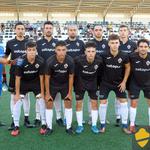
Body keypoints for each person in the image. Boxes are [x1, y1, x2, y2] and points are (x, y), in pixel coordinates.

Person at [11, 41, 46, 136]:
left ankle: (43, 123)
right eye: (29, 50)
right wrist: (17, 94)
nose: (31, 52)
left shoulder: (41, 61)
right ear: (25, 51)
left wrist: (42, 92)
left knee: (41, 99)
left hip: (35, 83)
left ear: (36, 50)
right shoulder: (20, 61)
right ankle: (16, 125)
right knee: (17, 101)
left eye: (33, 50)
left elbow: (41, 78)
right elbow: (17, 79)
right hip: (23, 83)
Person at [99, 34, 131, 134]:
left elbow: (128, 67)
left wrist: (124, 82)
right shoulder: (103, 55)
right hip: (105, 83)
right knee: (103, 103)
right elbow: (99, 69)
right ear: (108, 44)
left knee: (124, 102)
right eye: (112, 43)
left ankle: (125, 125)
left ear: (119, 43)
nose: (114, 45)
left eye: (116, 43)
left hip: (119, 84)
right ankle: (102, 125)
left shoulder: (124, 55)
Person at [5, 22, 33, 130]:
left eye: (22, 28)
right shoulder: (10, 43)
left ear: (24, 30)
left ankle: (26, 118)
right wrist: (11, 61)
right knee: (13, 97)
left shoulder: (29, 42)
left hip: (26, 74)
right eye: (18, 28)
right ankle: (13, 120)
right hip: (14, 73)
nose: (20, 30)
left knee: (25, 96)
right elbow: (6, 58)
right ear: (15, 30)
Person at [36, 21, 64, 127]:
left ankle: (58, 117)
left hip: (54, 74)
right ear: (43, 29)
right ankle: (38, 117)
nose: (48, 29)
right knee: (40, 95)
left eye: (50, 28)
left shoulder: (57, 42)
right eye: (46, 28)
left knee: (56, 96)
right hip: (41, 74)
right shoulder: (38, 43)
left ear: (53, 30)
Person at [44, 41, 74, 135]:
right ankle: (49, 127)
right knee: (49, 103)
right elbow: (47, 77)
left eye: (63, 50)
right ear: (55, 50)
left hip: (65, 85)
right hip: (53, 85)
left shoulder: (70, 61)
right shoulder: (50, 61)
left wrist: (69, 92)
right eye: (59, 50)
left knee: (68, 102)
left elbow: (71, 76)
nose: (61, 52)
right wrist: (47, 93)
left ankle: (69, 127)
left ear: (66, 50)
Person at [74, 41, 103, 134]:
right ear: (85, 52)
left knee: (94, 103)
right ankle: (79, 125)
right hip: (80, 84)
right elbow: (73, 73)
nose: (91, 53)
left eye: (93, 51)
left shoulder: (99, 60)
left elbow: (100, 74)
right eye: (88, 51)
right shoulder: (78, 60)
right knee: (79, 103)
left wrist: (99, 85)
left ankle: (94, 125)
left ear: (96, 52)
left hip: (93, 84)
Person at [115, 24, 137, 126]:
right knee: (118, 95)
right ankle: (118, 116)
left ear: (128, 32)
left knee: (129, 94)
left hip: (130, 74)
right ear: (119, 32)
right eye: (121, 30)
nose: (123, 32)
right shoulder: (115, 43)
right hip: (118, 73)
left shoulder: (133, 44)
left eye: (125, 30)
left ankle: (127, 116)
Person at [129, 39, 150, 133]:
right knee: (133, 103)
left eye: (145, 47)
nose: (143, 49)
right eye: (141, 47)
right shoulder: (131, 57)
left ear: (148, 48)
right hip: (135, 83)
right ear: (137, 48)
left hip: (148, 84)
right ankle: (132, 124)